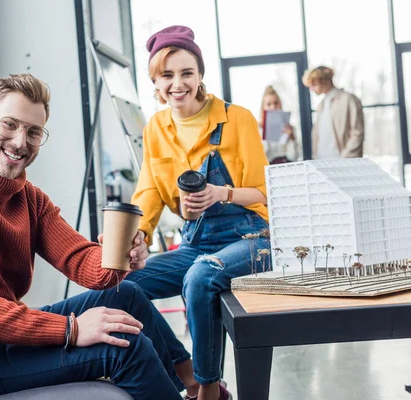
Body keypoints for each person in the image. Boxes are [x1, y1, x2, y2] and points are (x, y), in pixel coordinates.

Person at [0, 73, 192, 400]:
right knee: (123, 347)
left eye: (33, 132)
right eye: (9, 124)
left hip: (0, 339)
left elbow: (83, 262)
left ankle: (196, 388)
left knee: (128, 296)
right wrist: (72, 330)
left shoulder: (30, 198)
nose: (20, 142)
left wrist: (120, 252)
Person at [125, 25, 271, 400]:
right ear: (155, 82)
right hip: (197, 241)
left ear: (200, 74)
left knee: (201, 276)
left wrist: (220, 193)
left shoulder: (236, 118)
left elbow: (267, 192)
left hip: (252, 237)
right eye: (167, 75)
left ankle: (208, 389)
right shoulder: (156, 128)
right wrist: (137, 234)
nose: (178, 83)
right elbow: (150, 192)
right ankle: (184, 369)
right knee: (123, 285)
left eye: (187, 72)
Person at [302, 66, 364, 159]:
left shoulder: (348, 99)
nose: (311, 89)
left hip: (342, 161)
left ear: (325, 81)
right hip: (322, 161)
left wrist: (345, 158)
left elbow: (357, 132)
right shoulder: (321, 105)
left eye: (314, 84)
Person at [258, 85, 299, 164]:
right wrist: (262, 134)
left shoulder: (291, 128)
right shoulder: (258, 129)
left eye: (276, 103)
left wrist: (292, 138)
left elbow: (294, 157)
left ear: (280, 104)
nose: (273, 107)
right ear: (263, 107)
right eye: (269, 104)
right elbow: (262, 157)